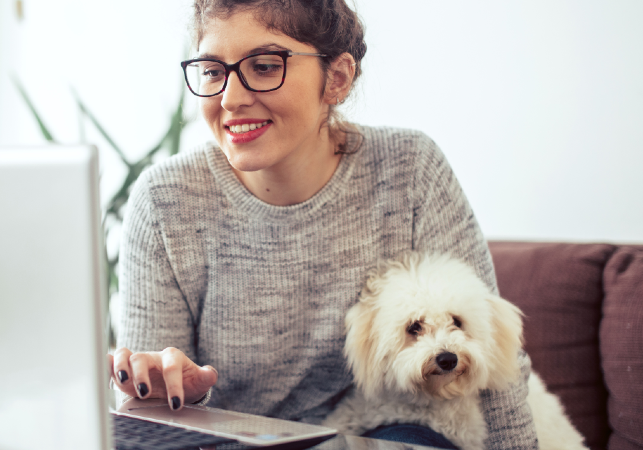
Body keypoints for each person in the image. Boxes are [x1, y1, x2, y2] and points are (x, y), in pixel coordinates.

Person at [107, 0, 539, 448]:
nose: (230, 99)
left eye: (264, 65)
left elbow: (496, 365)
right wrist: (173, 395)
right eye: (213, 71)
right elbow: (149, 416)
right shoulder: (165, 201)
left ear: (336, 78)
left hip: (375, 433)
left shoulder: (410, 171)